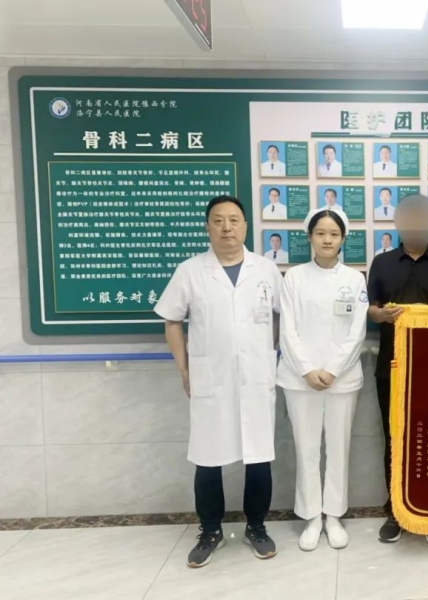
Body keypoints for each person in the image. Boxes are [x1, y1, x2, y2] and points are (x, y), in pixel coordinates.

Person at [155, 195, 282, 568]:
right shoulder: (190, 271)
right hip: (211, 379)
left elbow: (279, 316)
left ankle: (256, 527)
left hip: (256, 377)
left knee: (258, 455)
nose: (227, 227)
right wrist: (184, 369)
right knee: (208, 456)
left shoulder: (266, 269)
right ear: (208, 227)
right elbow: (172, 321)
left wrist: (267, 352)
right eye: (218, 220)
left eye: (234, 220)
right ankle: (210, 531)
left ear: (245, 226)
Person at [367, 194, 428, 546]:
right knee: (395, 438)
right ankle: (396, 510)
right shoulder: (381, 262)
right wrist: (380, 315)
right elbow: (371, 308)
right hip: (391, 368)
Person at [278, 208, 368, 551]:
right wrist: (307, 369)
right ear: (310, 237)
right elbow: (287, 329)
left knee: (338, 448)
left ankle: (333, 515)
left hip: (341, 379)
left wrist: (332, 369)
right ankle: (312, 516)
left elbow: (357, 332)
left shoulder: (355, 279)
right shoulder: (294, 277)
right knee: (307, 448)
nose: (327, 239)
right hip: (300, 379)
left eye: (334, 233)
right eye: (320, 233)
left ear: (343, 238)